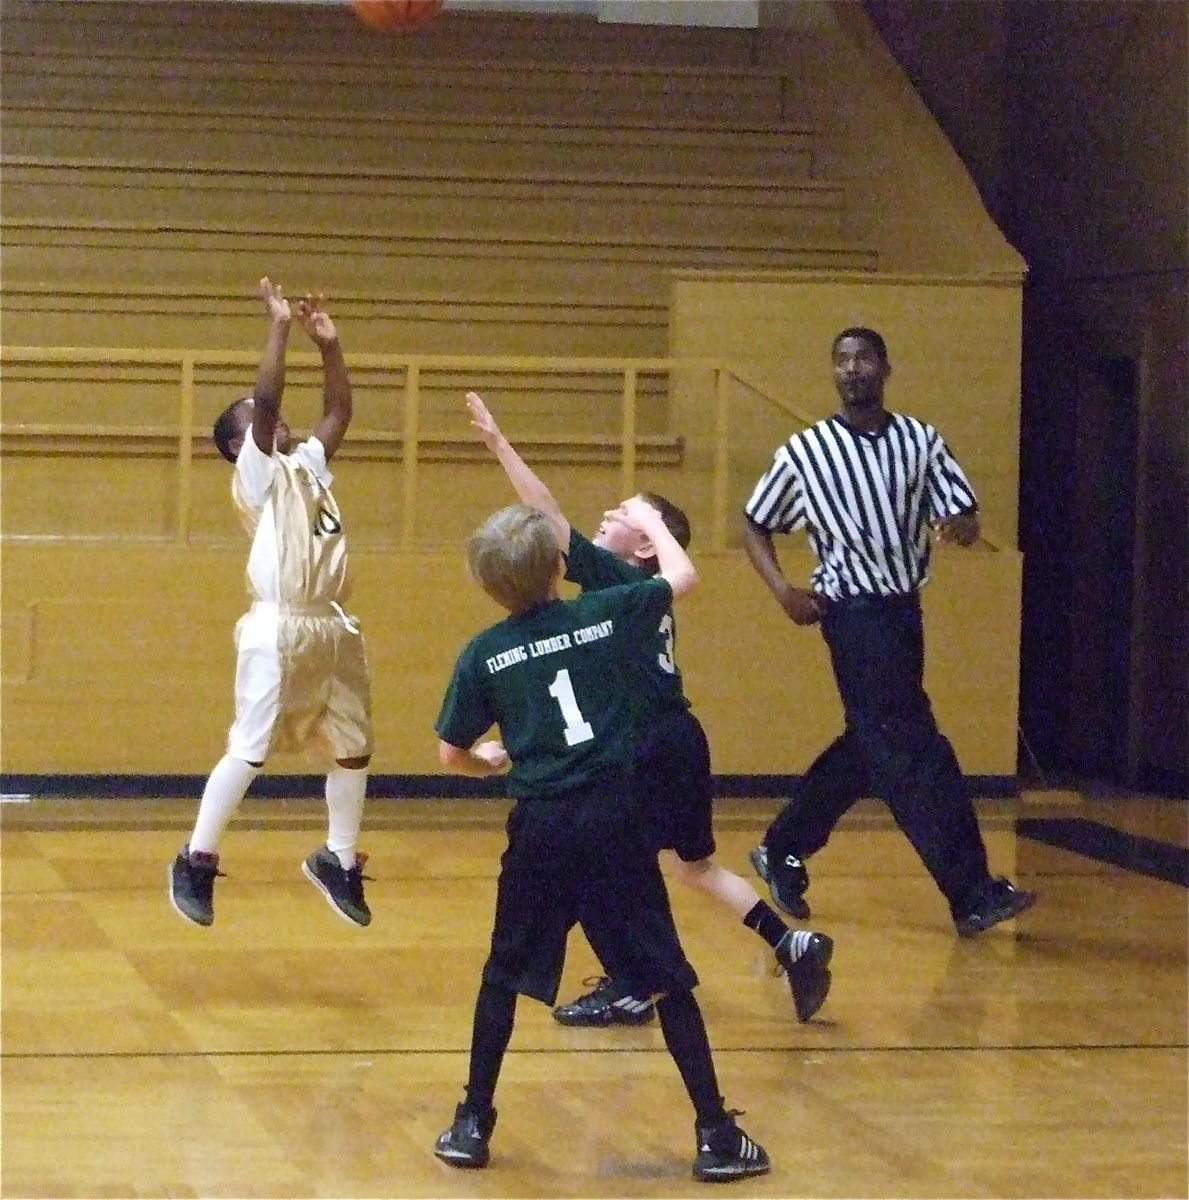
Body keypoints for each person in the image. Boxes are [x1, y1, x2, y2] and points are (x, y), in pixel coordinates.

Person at [466, 391, 833, 1024]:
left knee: (607, 864)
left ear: (644, 547)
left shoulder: (618, 579)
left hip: (640, 743)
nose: (606, 515)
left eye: (622, 514)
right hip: (681, 735)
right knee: (693, 868)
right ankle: (789, 942)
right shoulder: (636, 584)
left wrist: (501, 445)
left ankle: (630, 983)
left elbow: (545, 513)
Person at [434, 502, 770, 1183]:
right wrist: (651, 517)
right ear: (560, 567)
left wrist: (490, 761)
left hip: (540, 827)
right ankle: (714, 1133)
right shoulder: (604, 613)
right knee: (666, 980)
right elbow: (681, 576)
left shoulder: (484, 653)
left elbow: (450, 754)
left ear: (486, 584)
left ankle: (472, 1123)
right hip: (613, 820)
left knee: (502, 975)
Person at [742, 326, 1037, 937]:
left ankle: (782, 846)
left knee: (872, 744)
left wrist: (960, 526)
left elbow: (964, 514)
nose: (853, 369)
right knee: (917, 751)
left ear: (884, 368)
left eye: (864, 358)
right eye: (842, 360)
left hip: (904, 611)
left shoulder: (920, 440)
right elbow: (755, 523)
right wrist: (783, 592)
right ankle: (971, 892)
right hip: (851, 613)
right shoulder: (807, 450)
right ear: (834, 373)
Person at [168, 278, 374, 929]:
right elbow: (267, 399)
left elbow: (338, 413)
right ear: (240, 443)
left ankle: (336, 858)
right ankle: (196, 858)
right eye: (259, 422)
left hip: (332, 626)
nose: (278, 422)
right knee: (251, 750)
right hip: (277, 626)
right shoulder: (254, 474)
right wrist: (280, 329)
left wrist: (331, 346)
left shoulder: (307, 463)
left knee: (354, 747)